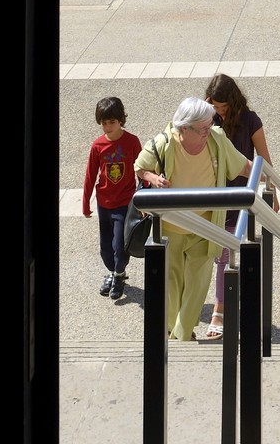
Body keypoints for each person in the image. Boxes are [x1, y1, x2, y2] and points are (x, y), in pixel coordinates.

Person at [133, 96, 252, 342]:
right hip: (170, 227)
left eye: (210, 125)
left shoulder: (216, 139)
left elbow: (243, 166)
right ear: (184, 128)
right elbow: (139, 167)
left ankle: (183, 335)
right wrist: (153, 178)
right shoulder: (163, 142)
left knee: (197, 288)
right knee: (172, 286)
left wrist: (273, 179)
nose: (208, 131)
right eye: (202, 129)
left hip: (205, 227)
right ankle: (168, 332)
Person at [203, 73, 280, 342]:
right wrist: (207, 112)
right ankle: (222, 306)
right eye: (214, 105)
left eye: (222, 106)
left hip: (241, 195)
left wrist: (273, 190)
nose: (219, 110)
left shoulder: (250, 120)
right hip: (214, 192)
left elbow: (263, 158)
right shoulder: (207, 119)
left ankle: (220, 310)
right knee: (216, 253)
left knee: (226, 255)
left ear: (232, 100)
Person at [81, 95, 143, 302]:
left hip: (124, 202)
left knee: (119, 244)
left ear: (121, 121)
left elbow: (142, 170)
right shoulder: (98, 146)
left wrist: (143, 201)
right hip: (103, 202)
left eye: (112, 122)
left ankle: (118, 275)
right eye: (104, 123)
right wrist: (85, 202)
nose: (108, 127)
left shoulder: (132, 142)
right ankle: (114, 271)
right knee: (105, 247)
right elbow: (90, 175)